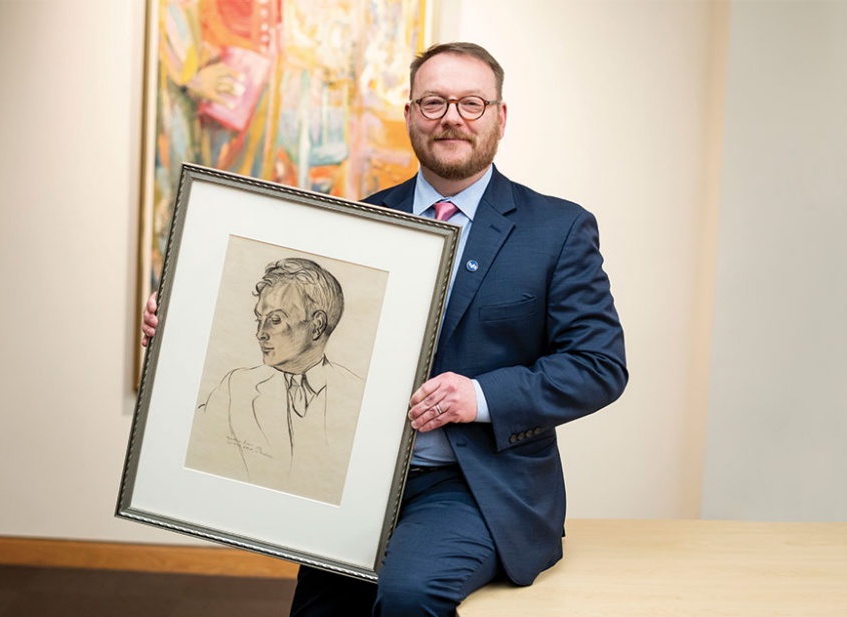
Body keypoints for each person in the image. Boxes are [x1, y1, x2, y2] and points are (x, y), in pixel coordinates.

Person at [142, 41, 628, 617]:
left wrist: (478, 396)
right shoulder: (361, 219)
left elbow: (599, 366)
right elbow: (303, 318)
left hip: (475, 485)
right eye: (434, 102)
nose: (451, 117)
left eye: (471, 103)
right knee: (317, 610)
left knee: (408, 597)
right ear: (410, 116)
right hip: (354, 483)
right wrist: (181, 319)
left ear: (500, 117)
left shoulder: (558, 229)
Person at [185, 258, 364, 505]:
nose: (260, 333)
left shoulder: (358, 396)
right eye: (259, 319)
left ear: (317, 326)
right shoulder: (236, 388)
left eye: (276, 320)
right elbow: (195, 454)